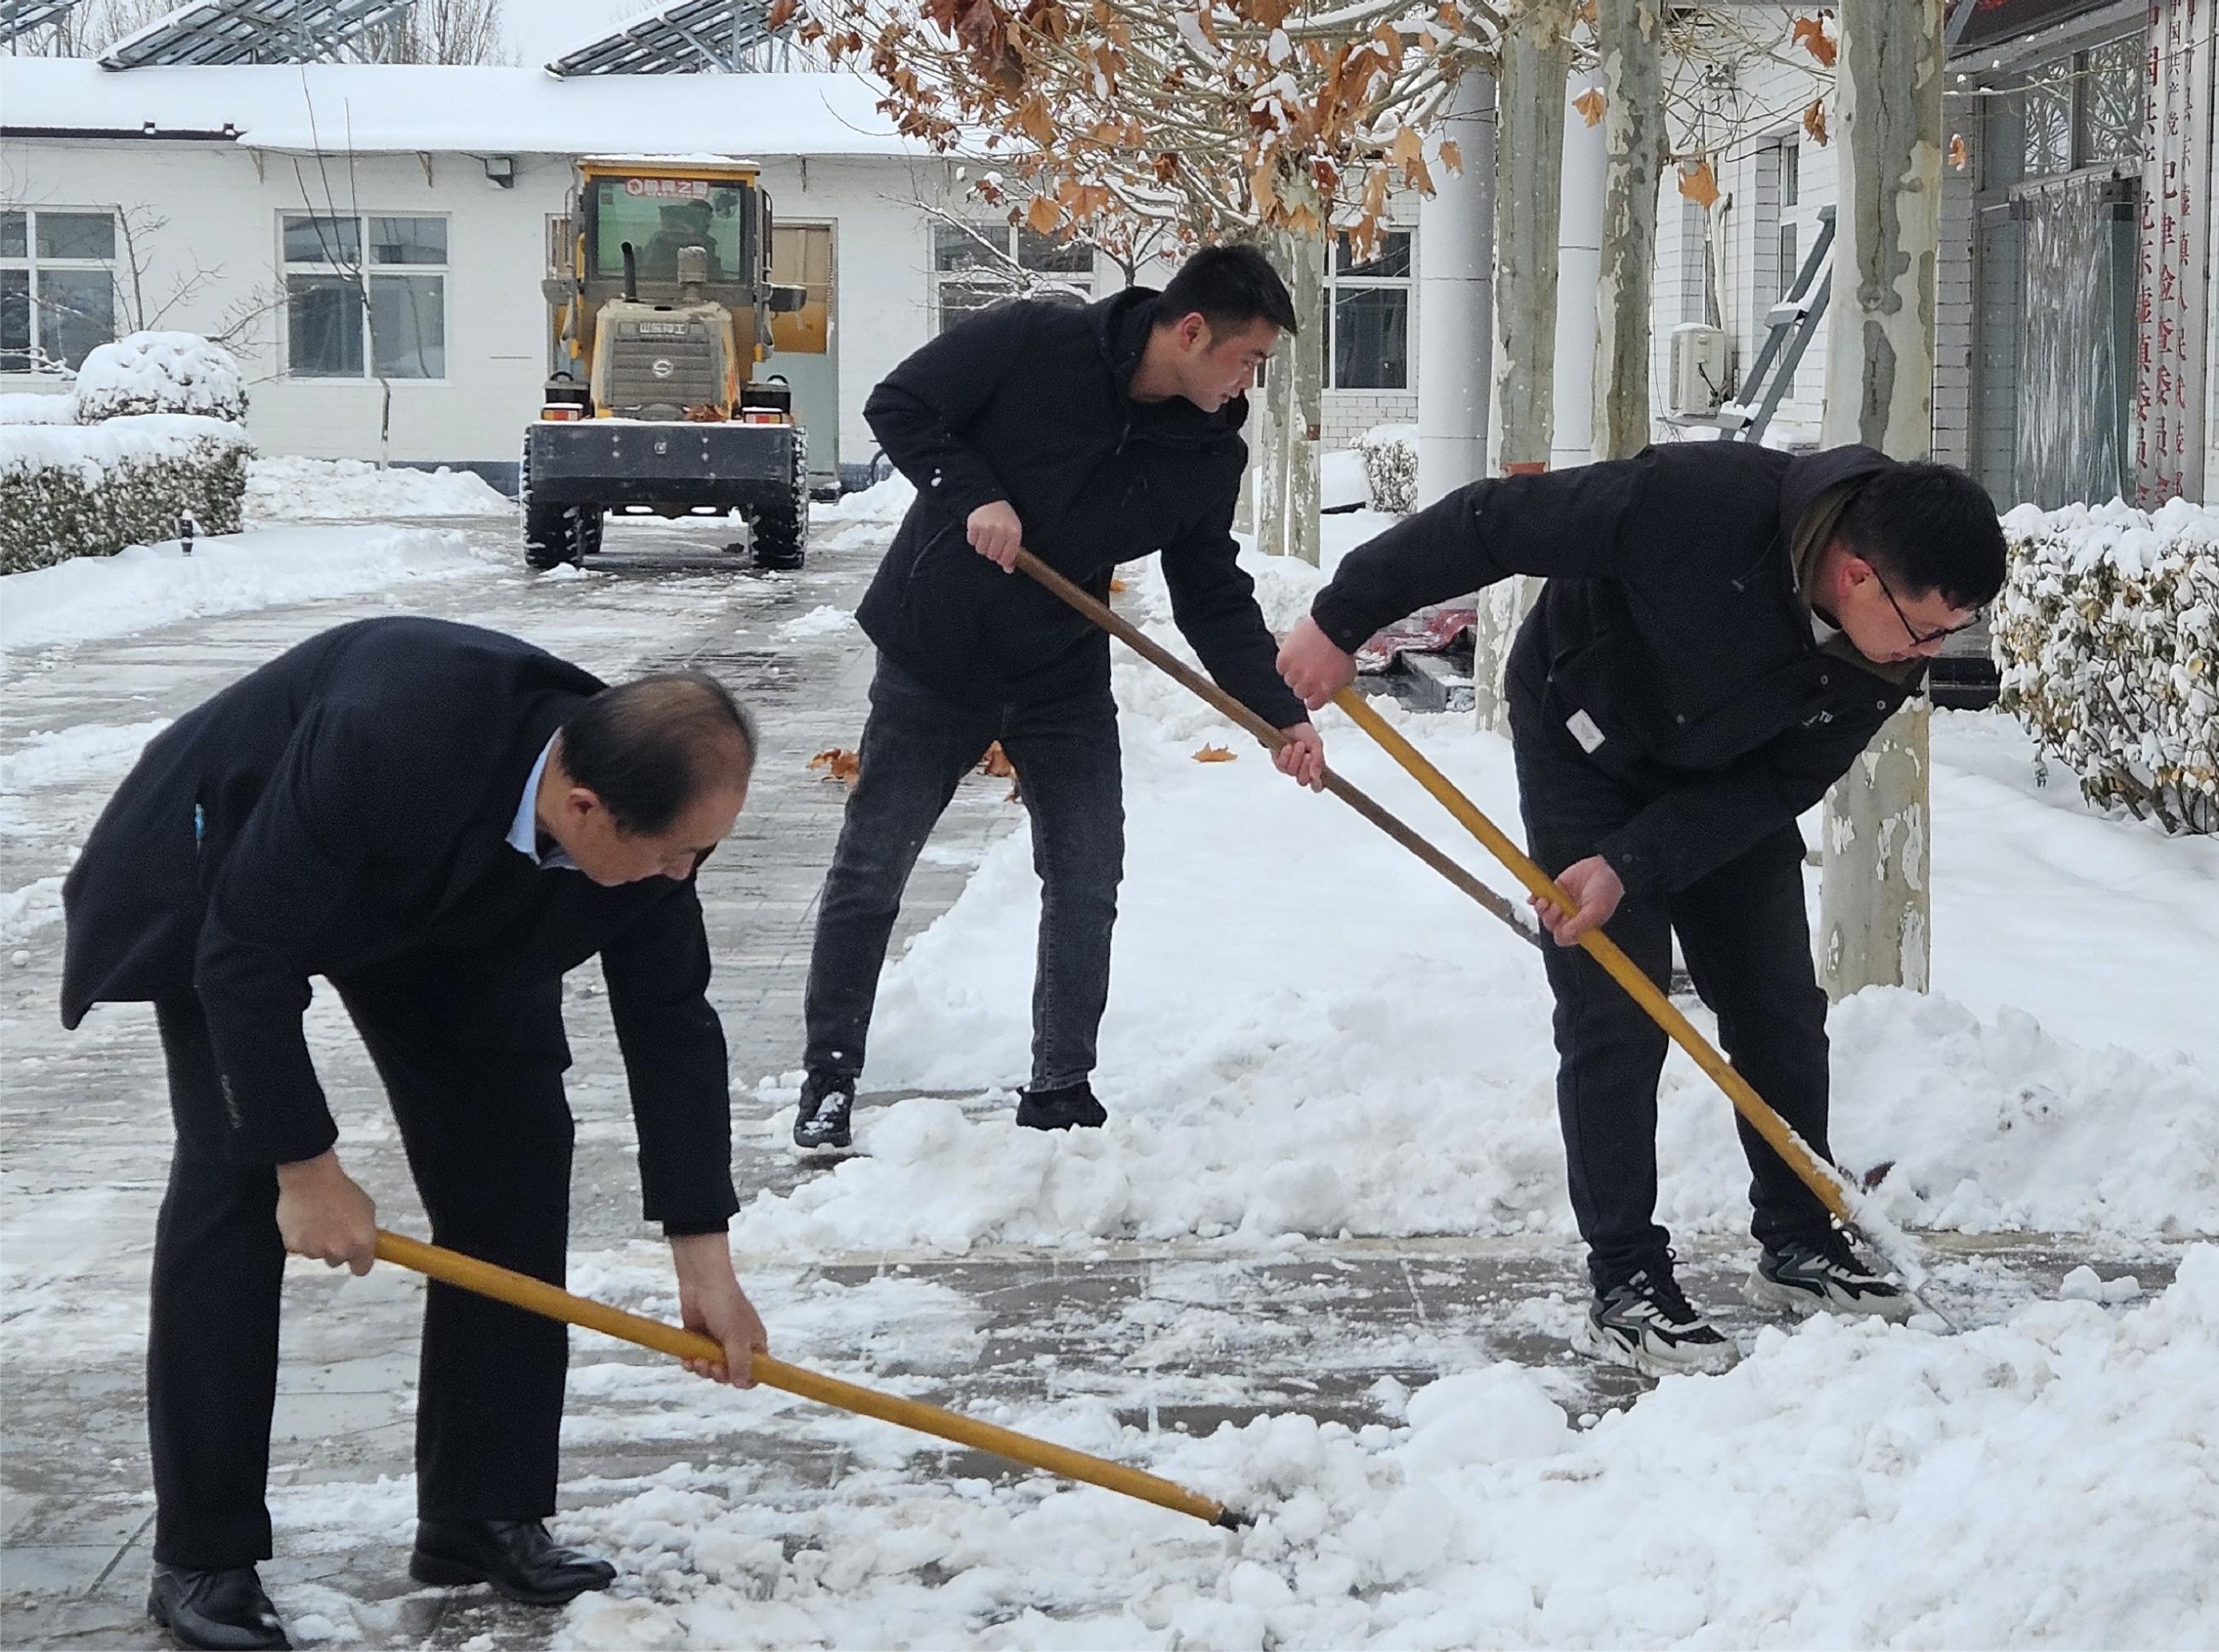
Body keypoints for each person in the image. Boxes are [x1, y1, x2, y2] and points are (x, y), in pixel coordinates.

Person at [60, 617, 771, 1651]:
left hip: (448, 909)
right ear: (585, 807)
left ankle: (479, 1512)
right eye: (676, 854)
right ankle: (204, 1554)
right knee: (234, 1179)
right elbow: (245, 952)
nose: (685, 874)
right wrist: (304, 1164)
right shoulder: (390, 733)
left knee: (517, 1153)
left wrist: (702, 1246)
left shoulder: (647, 807)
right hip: (239, 880)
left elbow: (671, 1017)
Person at [1277, 445, 2007, 1376]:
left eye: (1952, 634)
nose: (1929, 655)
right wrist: (1343, 617)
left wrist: (1639, 861)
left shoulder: (1884, 656)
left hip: (1727, 778)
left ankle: (1799, 1239)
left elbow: (1781, 782)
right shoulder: (1695, 503)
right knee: (1613, 1013)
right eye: (1925, 630)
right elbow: (1495, 521)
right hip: (1587, 734)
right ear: (1858, 573)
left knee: (1777, 1004)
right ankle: (1625, 1279)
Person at [792, 244, 1326, 1153]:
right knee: (873, 869)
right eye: (1248, 361)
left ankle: (1060, 1083)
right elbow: (902, 405)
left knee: (1086, 873)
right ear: (1191, 332)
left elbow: (1210, 594)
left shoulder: (1205, 449)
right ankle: (829, 1080)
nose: (1249, 386)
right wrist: (975, 495)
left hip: (1060, 677)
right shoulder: (1038, 340)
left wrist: (1278, 712)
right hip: (936, 655)